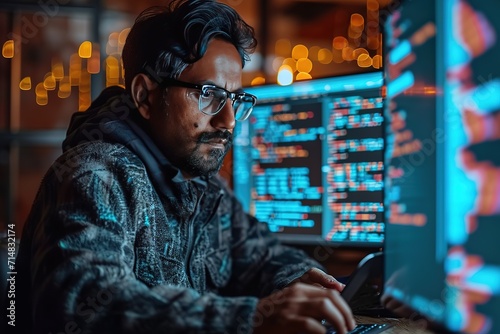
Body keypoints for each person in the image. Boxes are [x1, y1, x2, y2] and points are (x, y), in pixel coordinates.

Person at [6, 1, 356, 333]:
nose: (229, 120)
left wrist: (299, 279)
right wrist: (251, 320)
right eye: (209, 94)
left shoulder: (202, 185)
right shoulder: (95, 175)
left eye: (234, 99)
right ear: (145, 96)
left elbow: (259, 253)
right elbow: (90, 303)